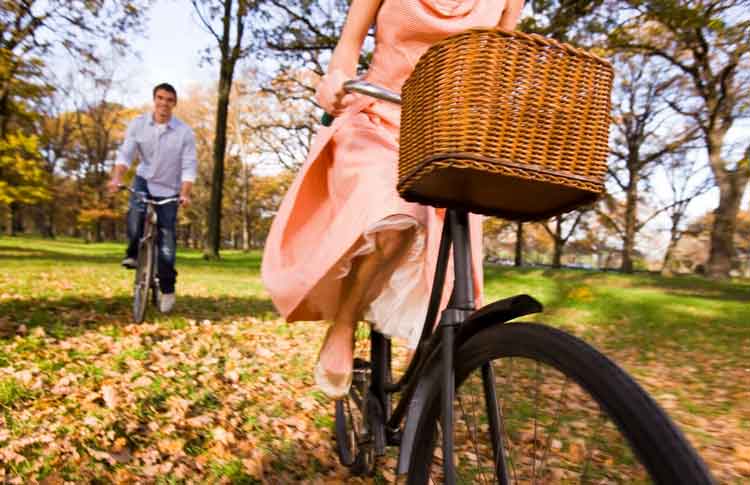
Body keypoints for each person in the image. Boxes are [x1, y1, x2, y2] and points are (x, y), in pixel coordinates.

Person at [262, 0, 525, 397]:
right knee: (395, 220)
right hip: (382, 119)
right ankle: (345, 324)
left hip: (449, 137)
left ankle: (428, 397)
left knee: (453, 282)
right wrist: (335, 78)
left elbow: (498, 66)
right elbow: (349, 46)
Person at [107, 83, 198, 314]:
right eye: (160, 98)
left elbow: (189, 167)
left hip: (169, 189)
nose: (164, 103)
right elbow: (126, 154)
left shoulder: (184, 132)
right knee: (136, 216)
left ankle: (167, 288)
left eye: (169, 100)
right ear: (154, 100)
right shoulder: (139, 124)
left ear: (174, 104)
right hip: (144, 181)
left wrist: (185, 194)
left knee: (167, 242)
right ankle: (133, 254)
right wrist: (116, 178)